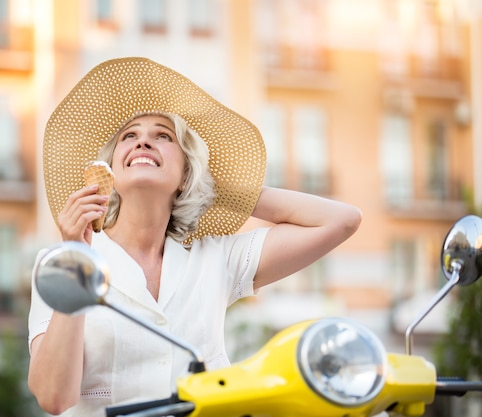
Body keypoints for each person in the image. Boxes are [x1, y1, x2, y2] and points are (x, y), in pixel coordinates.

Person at [27, 57, 362, 416]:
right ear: (109, 172)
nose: (143, 142)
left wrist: (226, 192)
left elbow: (340, 220)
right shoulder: (60, 266)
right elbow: (54, 398)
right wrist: (77, 262)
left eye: (163, 136)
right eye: (129, 136)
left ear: (186, 174)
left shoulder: (217, 258)